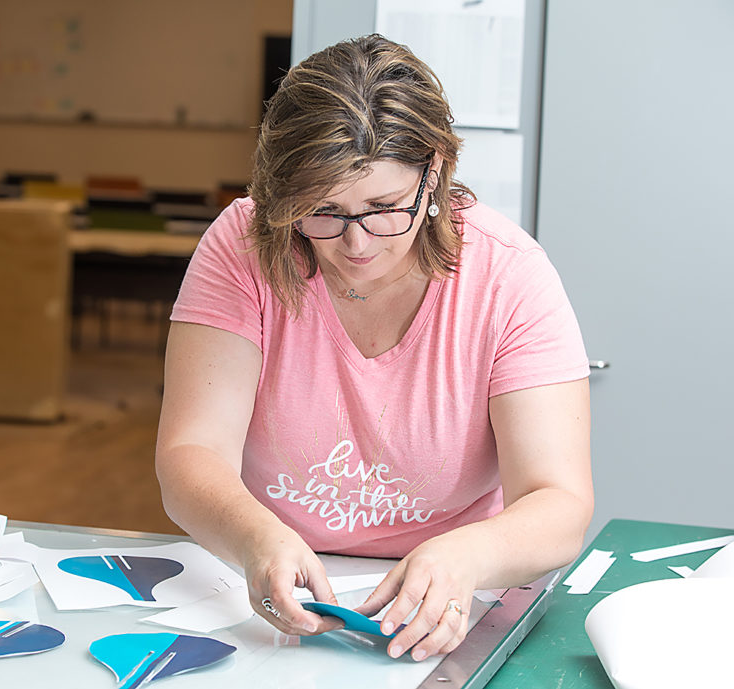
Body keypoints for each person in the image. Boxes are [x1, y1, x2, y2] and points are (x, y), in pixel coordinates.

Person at [155, 34, 593, 662]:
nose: (356, 245)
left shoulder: (508, 276)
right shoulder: (245, 247)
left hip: (452, 595)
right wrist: (256, 538)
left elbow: (559, 502)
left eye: (385, 208)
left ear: (434, 170)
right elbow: (191, 451)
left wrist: (464, 555)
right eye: (323, 211)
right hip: (269, 582)